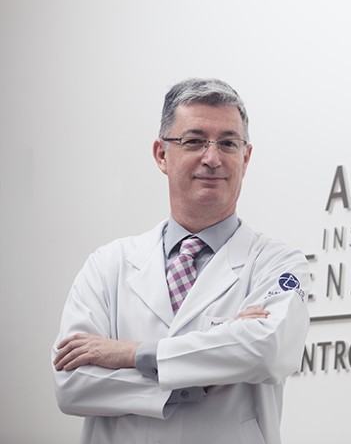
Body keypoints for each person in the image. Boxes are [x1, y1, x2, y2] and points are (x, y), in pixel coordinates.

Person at [52, 78, 310, 444]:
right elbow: (72, 383)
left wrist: (131, 354)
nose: (212, 158)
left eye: (228, 143)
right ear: (161, 154)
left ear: (245, 157)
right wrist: (203, 370)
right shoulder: (108, 265)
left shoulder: (278, 263)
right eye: (193, 141)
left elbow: (267, 352)